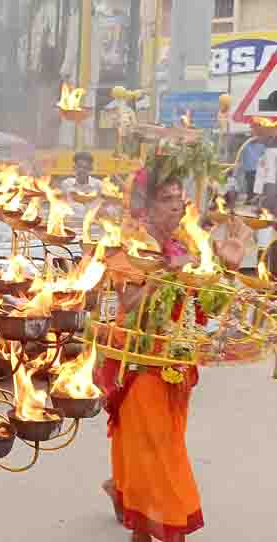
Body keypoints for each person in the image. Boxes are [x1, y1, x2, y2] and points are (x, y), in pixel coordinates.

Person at [97, 168, 246, 542]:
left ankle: (128, 498)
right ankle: (159, 522)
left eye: (180, 199)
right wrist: (163, 267)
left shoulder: (187, 246)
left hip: (177, 368)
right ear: (145, 208)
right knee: (162, 456)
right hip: (137, 366)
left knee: (153, 451)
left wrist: (227, 267)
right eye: (167, 200)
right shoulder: (128, 245)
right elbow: (128, 303)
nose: (177, 208)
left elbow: (208, 307)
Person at [61, 151, 103, 216]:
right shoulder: (66, 184)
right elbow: (61, 205)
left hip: (92, 223)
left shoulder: (98, 185)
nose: (82, 170)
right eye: (79, 166)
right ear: (74, 168)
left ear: (91, 168)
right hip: (70, 222)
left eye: (85, 167)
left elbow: (101, 206)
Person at [239, 135, 266, 205]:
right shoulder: (245, 147)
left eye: (255, 137)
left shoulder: (261, 146)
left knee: (257, 186)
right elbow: (242, 157)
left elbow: (264, 157)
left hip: (258, 170)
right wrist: (242, 166)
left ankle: (256, 200)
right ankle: (249, 199)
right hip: (248, 169)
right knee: (249, 185)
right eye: (251, 137)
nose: (253, 139)